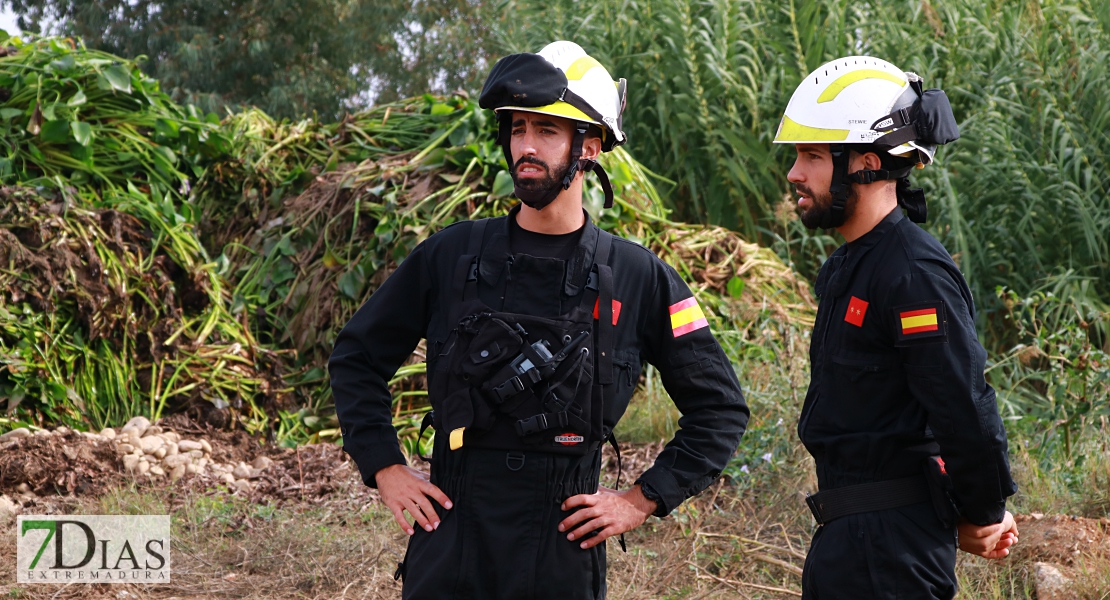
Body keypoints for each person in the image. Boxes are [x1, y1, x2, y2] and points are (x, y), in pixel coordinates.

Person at [329, 41, 749, 600]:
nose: (526, 146)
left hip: (562, 548)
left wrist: (640, 500)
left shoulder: (638, 277)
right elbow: (357, 358)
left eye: (547, 130)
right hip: (451, 534)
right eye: (518, 128)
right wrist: (384, 466)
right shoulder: (450, 256)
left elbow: (720, 407)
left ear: (591, 147)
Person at [772, 56, 1019, 599]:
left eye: (812, 156)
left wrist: (983, 511)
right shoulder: (848, 266)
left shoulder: (911, 273)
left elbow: (962, 405)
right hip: (847, 539)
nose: (794, 173)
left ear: (866, 163)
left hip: (892, 555)